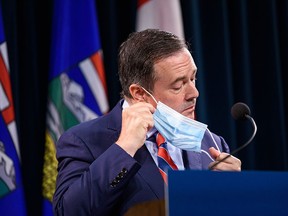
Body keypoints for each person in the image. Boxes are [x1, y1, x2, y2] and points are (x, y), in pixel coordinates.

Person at [53, 29, 241, 216]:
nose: (194, 93)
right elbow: (69, 212)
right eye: (178, 85)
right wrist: (124, 147)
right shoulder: (83, 140)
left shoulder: (211, 143)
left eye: (193, 78)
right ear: (140, 94)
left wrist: (235, 192)